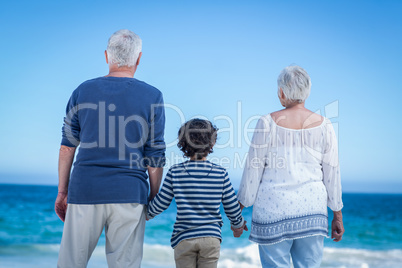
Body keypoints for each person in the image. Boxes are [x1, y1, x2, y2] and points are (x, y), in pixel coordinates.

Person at [55, 29, 166, 268]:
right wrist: (153, 195)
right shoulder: (153, 96)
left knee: (70, 264)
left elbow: (67, 148)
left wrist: (63, 192)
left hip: (85, 189)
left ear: (107, 56)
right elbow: (154, 156)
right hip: (130, 192)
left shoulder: (82, 91)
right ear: (138, 58)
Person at [237, 65, 344, 268]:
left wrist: (239, 208)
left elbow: (253, 171)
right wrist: (337, 214)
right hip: (312, 212)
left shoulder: (266, 122)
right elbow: (332, 174)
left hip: (272, 213)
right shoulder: (325, 125)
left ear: (281, 92)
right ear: (307, 92)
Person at [147, 119, 247, 268]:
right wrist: (238, 224)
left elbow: (161, 203)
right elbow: (231, 207)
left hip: (184, 238)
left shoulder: (175, 172)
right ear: (212, 143)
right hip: (211, 239)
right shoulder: (221, 173)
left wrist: (146, 214)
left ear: (182, 144)